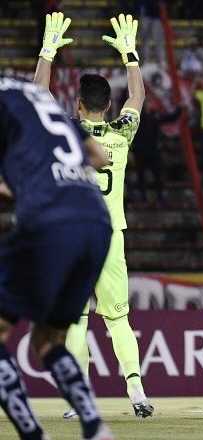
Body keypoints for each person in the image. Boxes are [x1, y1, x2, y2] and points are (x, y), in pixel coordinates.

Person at [33, 12, 155, 419]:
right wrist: (131, 57)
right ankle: (137, 394)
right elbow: (137, 98)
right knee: (118, 319)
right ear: (107, 105)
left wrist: (47, 52)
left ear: (79, 104)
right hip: (110, 236)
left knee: (76, 319)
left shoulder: (66, 132)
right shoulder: (122, 133)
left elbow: (37, 96)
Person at [0, 76, 116, 440]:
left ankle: (33, 434)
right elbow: (99, 156)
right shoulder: (38, 98)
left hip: (49, 220)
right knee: (48, 340)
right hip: (96, 222)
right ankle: (94, 426)